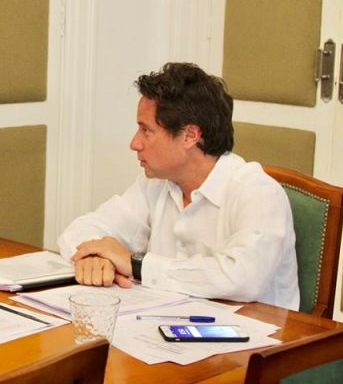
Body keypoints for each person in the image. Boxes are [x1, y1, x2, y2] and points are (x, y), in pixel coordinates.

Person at [57, 62, 299, 309]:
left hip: (253, 330)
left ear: (190, 135)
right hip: (165, 322)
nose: (134, 143)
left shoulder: (259, 192)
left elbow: (243, 279)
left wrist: (137, 265)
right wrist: (96, 257)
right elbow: (82, 229)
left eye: (146, 130)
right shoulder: (154, 185)